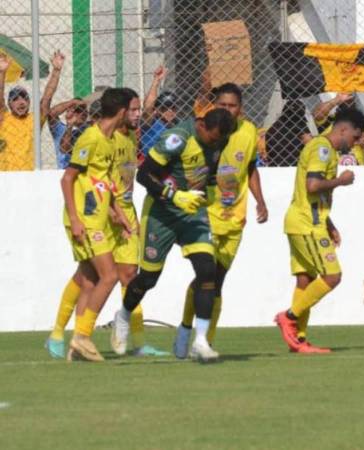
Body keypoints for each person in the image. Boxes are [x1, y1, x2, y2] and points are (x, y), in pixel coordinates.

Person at [110, 108, 235, 363]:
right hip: (161, 214)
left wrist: (213, 194)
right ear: (201, 126)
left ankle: (200, 341)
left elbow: (208, 174)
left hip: (192, 213)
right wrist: (175, 196)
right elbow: (144, 175)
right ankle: (123, 316)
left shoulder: (220, 140)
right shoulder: (177, 138)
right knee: (147, 278)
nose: (217, 143)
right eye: (213, 138)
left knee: (207, 270)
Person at [173, 82, 269, 358]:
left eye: (233, 105)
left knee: (218, 281)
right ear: (214, 106)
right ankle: (188, 331)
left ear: (241, 108)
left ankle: (204, 341)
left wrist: (260, 200)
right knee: (206, 278)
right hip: (207, 215)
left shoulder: (249, 132)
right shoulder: (206, 130)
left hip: (235, 218)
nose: (228, 110)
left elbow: (250, 168)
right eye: (223, 105)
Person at [274, 108, 364, 353]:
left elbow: (313, 193)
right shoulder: (323, 149)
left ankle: (299, 340)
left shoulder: (323, 149)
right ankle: (289, 317)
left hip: (304, 221)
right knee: (332, 276)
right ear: (344, 130)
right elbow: (313, 185)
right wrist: (341, 181)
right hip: (307, 224)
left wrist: (329, 224)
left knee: (305, 279)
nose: (356, 143)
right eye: (356, 137)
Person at [59, 88, 131, 362]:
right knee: (109, 276)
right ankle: (82, 336)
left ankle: (76, 346)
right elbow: (67, 179)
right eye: (131, 109)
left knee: (89, 280)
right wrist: (76, 220)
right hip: (86, 220)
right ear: (122, 111)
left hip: (99, 217)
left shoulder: (111, 141)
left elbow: (102, 182)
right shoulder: (90, 138)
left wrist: (117, 213)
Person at [0, 51, 65, 171]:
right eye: (15, 99)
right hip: (5, 177)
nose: (21, 102)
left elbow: (46, 98)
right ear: (9, 104)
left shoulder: (33, 120)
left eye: (24, 98)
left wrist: (56, 71)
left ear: (29, 102)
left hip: (29, 177)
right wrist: (2, 73)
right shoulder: (4, 119)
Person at [312, 93, 364, 166]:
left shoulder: (363, 124)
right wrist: (336, 100)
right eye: (346, 101)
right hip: (330, 165)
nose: (348, 102)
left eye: (351, 99)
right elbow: (318, 113)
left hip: (357, 168)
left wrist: (361, 140)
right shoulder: (331, 120)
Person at [139, 65, 177, 156]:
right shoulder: (151, 123)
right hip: (150, 164)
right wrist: (156, 80)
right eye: (164, 108)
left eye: (173, 107)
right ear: (157, 110)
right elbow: (148, 107)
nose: (169, 111)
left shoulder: (178, 124)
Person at [48, 98, 88, 168]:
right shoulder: (60, 129)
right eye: (78, 110)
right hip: (63, 171)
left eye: (84, 110)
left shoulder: (90, 129)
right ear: (69, 111)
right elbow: (51, 114)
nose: (83, 113)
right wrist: (72, 102)